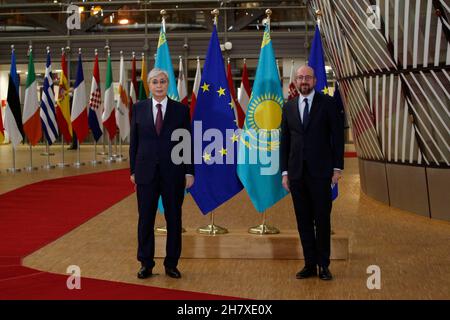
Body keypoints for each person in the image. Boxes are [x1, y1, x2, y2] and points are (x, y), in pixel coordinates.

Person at [280, 65, 344, 281]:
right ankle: (309, 263)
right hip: (297, 174)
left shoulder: (328, 104)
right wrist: (285, 173)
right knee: (303, 220)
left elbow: (337, 138)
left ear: (315, 81)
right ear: (295, 82)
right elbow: (285, 142)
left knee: (322, 220)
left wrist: (337, 168)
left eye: (307, 77)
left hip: (321, 173)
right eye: (300, 78)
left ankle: (324, 265)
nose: (304, 81)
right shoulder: (288, 107)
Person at [129, 68, 194, 279]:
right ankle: (146, 263)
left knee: (174, 219)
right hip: (146, 173)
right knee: (145, 219)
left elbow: (186, 143)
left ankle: (171, 264)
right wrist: (132, 171)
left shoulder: (181, 110)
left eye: (163, 81)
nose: (159, 85)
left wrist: (189, 172)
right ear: (149, 85)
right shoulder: (138, 109)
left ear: (168, 85)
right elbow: (134, 143)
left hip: (173, 174)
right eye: (155, 82)